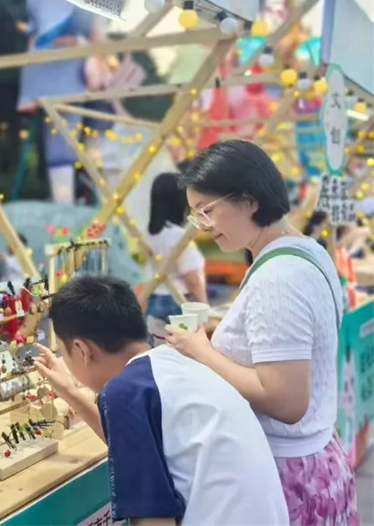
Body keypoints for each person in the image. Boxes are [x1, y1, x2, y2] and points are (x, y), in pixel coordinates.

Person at [167, 139, 357, 525]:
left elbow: (286, 402)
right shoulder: (306, 251)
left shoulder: (277, 278)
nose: (203, 226)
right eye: (196, 215)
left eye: (207, 211)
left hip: (286, 477)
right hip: (316, 462)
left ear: (250, 200)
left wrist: (200, 350)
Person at [35, 275, 288, 526]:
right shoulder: (173, 365)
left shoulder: (126, 391)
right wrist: (71, 393)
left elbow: (154, 521)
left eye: (64, 353)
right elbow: (131, 443)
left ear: (82, 350)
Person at [145, 173, 207, 342]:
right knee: (184, 350)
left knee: (159, 347)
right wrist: (204, 307)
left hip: (155, 300)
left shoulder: (152, 234)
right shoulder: (179, 236)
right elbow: (192, 277)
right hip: (178, 302)